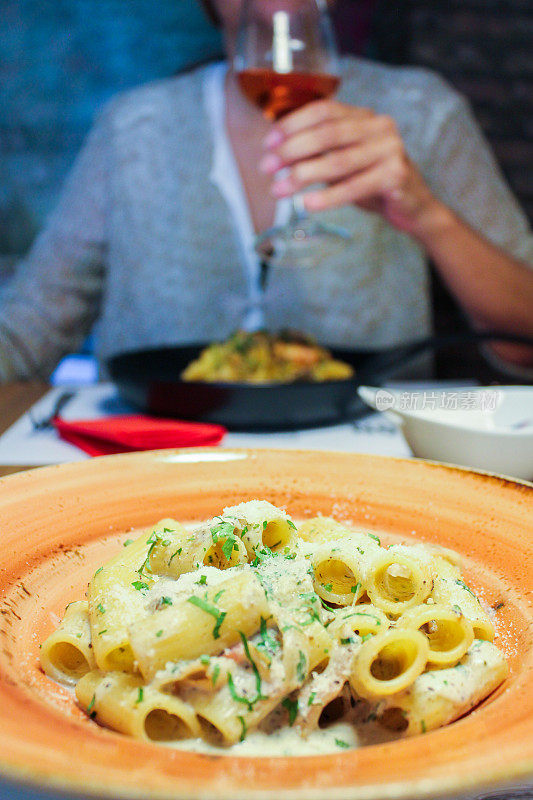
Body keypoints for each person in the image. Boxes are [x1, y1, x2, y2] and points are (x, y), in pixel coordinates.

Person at [1, 0, 532, 382]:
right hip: (160, 461)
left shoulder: (421, 109)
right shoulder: (132, 126)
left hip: (373, 465)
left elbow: (524, 341)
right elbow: (29, 331)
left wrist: (426, 213)